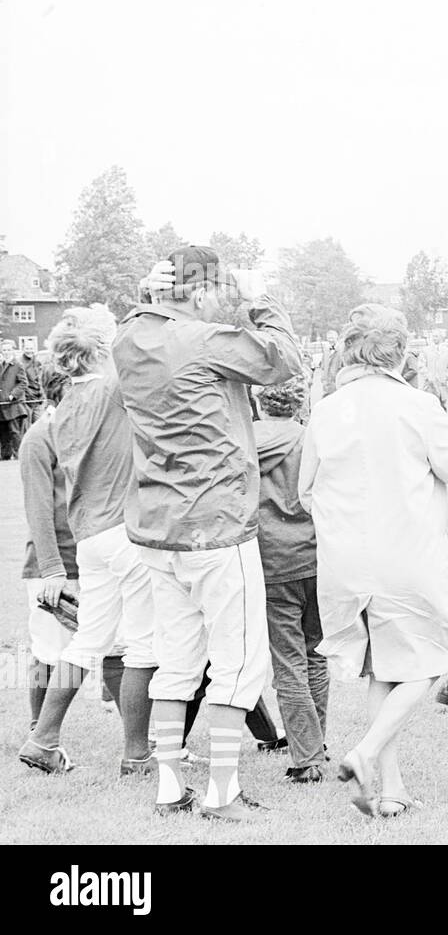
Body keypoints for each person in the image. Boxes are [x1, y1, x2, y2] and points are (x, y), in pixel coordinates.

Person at [115, 246, 302, 820]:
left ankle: (170, 786)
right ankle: (222, 792)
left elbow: (137, 319)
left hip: (157, 524)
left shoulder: (127, 338)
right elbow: (285, 362)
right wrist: (259, 297)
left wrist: (152, 296)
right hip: (216, 523)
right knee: (240, 664)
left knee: (176, 661)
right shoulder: (201, 338)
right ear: (198, 293)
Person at [300, 304, 448, 817]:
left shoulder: (326, 409)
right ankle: (365, 751)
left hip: (344, 559)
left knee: (384, 667)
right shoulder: (419, 405)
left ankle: (391, 790)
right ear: (401, 352)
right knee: (437, 654)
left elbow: (304, 490)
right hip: (405, 552)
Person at [19, 306, 158, 778]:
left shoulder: (62, 411)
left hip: (90, 539)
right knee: (141, 646)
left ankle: (43, 738)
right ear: (103, 350)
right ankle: (137, 754)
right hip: (126, 531)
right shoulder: (114, 390)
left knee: (86, 644)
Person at [254, 376, 330, 783]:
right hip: (315, 554)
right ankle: (315, 745)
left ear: (257, 398)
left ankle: (307, 755)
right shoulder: (313, 438)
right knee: (314, 654)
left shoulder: (244, 443)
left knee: (288, 662)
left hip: (271, 560)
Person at [19, 365, 78, 733]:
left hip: (88, 556)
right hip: (52, 564)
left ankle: (139, 741)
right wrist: (51, 571)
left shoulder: (81, 431)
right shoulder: (39, 439)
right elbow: (38, 511)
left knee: (116, 647)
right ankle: (37, 730)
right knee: (49, 650)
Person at [1, 337, 32, 459]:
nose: (6, 352)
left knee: (15, 432)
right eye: (4, 350)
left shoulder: (18, 365)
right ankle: (5, 457)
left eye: (8, 349)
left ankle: (20, 456)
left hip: (14, 405)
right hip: (2, 405)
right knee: (3, 433)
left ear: (13, 350)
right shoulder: (1, 365)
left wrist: (12, 395)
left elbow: (23, 383)